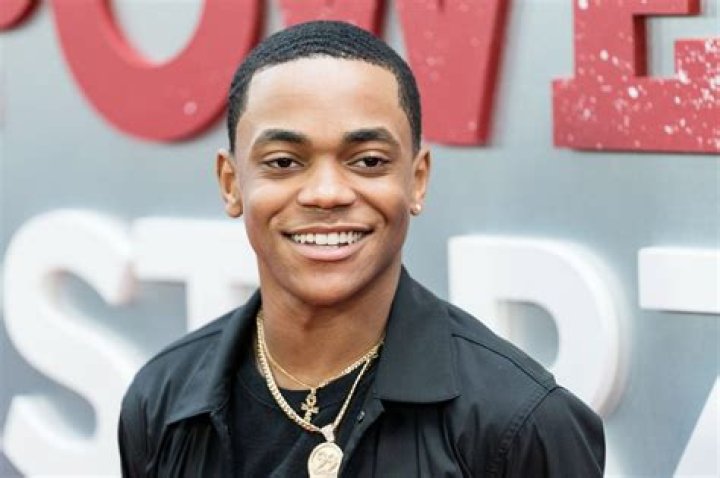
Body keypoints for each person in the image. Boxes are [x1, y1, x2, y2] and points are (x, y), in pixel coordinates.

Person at [118, 20, 604, 477]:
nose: (326, 193)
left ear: (417, 180)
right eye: (284, 162)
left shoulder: (521, 423)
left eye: (368, 161)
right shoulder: (161, 399)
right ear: (231, 183)